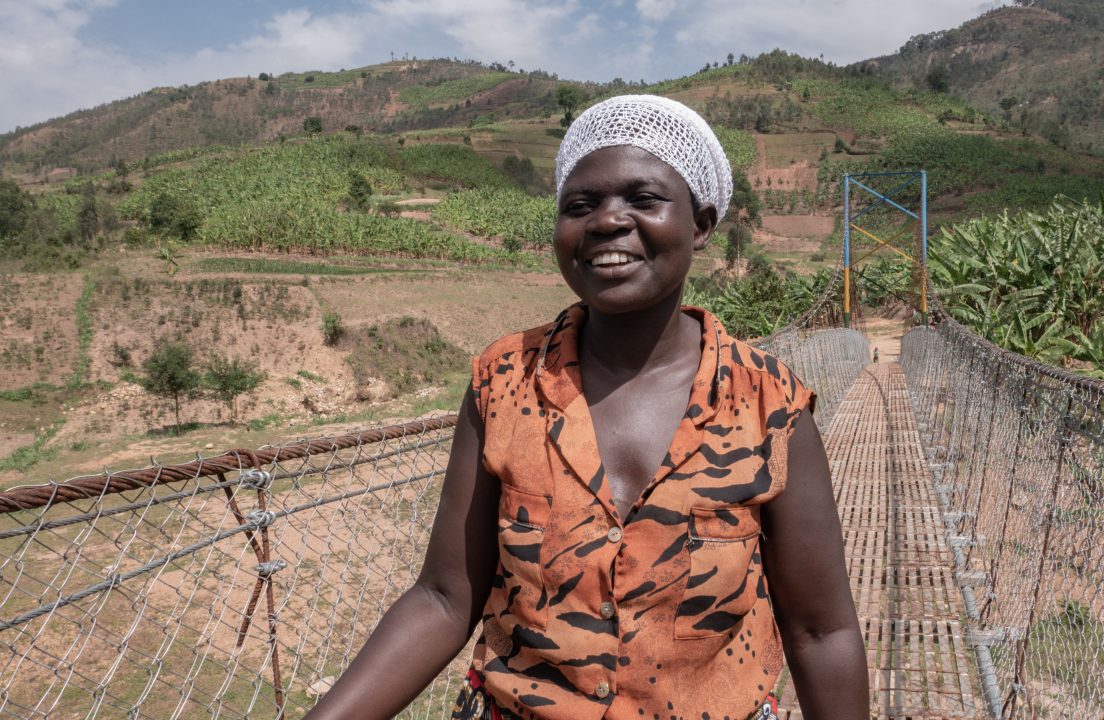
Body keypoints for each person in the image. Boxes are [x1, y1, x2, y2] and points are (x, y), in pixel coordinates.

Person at [304, 95, 868, 720]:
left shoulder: (770, 404)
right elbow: (443, 598)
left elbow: (822, 631)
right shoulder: (502, 382)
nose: (606, 221)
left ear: (702, 225)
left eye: (643, 199)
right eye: (581, 205)